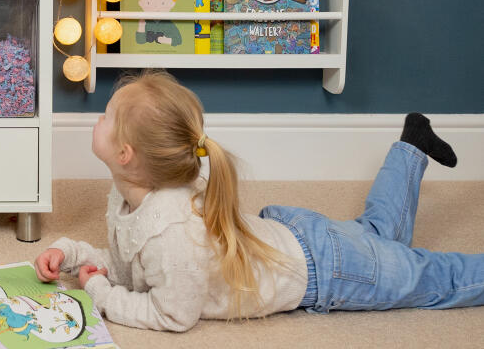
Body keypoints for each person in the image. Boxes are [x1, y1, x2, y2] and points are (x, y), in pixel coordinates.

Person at [33, 70, 480, 332]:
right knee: (380, 240)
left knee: (434, 279)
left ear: (126, 155)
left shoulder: (172, 232)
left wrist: (100, 293)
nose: (98, 117)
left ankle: (411, 151)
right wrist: (71, 255)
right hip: (301, 240)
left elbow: (172, 313)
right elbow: (130, 260)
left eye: (107, 117)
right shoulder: (135, 197)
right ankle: (412, 147)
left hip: (326, 269)